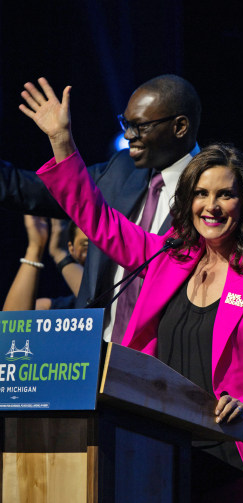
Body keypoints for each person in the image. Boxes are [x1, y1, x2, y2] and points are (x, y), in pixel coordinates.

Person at [21, 78, 243, 503]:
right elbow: (97, 217)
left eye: (225, 195)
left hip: (239, 460)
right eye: (201, 194)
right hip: (163, 454)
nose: (211, 206)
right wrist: (62, 142)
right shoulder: (168, 255)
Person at [0, 73, 201, 344]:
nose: (128, 135)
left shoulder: (212, 192)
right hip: (91, 355)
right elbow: (29, 190)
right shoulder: (119, 169)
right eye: (125, 124)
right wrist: (59, 139)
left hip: (162, 364)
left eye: (140, 126)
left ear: (180, 126)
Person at [3, 216, 86, 311]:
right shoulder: (58, 307)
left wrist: (61, 255)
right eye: (86, 245)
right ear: (72, 249)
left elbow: (98, 304)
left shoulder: (105, 302)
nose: (94, 255)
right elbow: (13, 322)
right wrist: (35, 247)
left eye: (100, 246)